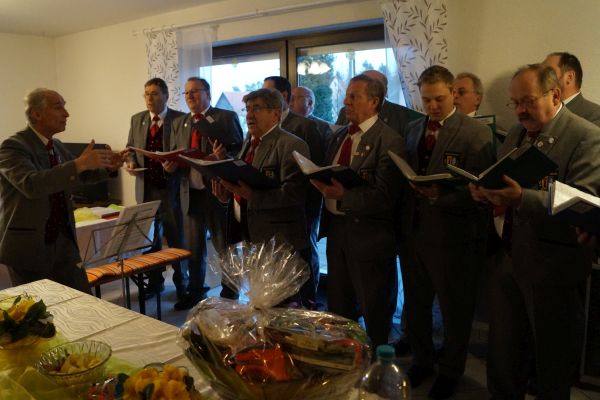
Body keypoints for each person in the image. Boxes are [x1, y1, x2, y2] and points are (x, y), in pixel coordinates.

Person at [469, 64, 600, 399]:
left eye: (527, 101)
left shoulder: (586, 135)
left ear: (554, 95)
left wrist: (521, 198)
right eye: (515, 103)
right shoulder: (516, 133)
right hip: (508, 257)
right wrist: (485, 191)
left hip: (552, 265)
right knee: (503, 352)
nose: (520, 110)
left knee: (552, 361)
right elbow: (503, 179)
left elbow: (583, 201)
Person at [399, 66, 494, 399]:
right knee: (416, 306)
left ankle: (452, 371)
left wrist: (442, 195)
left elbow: (483, 191)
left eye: (439, 99)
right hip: (414, 233)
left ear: (453, 93)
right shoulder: (413, 129)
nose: (432, 106)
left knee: (455, 311)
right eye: (426, 100)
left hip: (454, 238)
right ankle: (422, 360)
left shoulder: (475, 133)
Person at [311, 73, 405, 349]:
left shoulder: (389, 140)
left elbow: (386, 196)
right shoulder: (340, 135)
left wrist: (344, 195)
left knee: (374, 306)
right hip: (337, 231)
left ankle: (375, 362)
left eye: (354, 97)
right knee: (339, 305)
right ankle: (346, 357)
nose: (346, 102)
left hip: (370, 236)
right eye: (346, 96)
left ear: (374, 101)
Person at [0, 88, 121, 293]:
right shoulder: (13, 147)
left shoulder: (56, 145)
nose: (66, 114)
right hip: (30, 246)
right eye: (59, 107)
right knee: (41, 308)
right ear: (37, 113)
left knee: (81, 300)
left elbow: (78, 176)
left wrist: (108, 168)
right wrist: (79, 163)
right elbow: (32, 184)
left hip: (64, 241)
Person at [212, 89, 311, 296]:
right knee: (259, 302)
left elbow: (294, 195)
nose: (249, 115)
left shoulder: (292, 145)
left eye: (256, 109)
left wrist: (252, 196)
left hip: (278, 243)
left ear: (275, 113)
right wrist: (226, 198)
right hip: (248, 236)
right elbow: (241, 184)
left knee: (279, 306)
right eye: (247, 109)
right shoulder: (249, 142)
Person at [168, 77, 243, 309]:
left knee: (224, 247)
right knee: (194, 249)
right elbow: (175, 153)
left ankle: (230, 291)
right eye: (186, 93)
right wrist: (170, 165)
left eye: (195, 91)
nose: (190, 96)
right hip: (190, 194)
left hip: (217, 193)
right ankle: (196, 291)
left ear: (208, 94)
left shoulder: (226, 117)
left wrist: (223, 157)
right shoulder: (180, 122)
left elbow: (240, 153)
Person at [263, 76, 324, 306]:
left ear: (283, 96)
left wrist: (310, 213)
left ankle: (309, 304)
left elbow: (314, 171)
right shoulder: (266, 125)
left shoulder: (305, 126)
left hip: (301, 209)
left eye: (268, 93)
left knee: (303, 261)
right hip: (275, 211)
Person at [124, 78, 186, 301]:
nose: (150, 98)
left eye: (155, 94)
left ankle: (182, 284)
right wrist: (131, 162)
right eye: (147, 94)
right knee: (150, 240)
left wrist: (175, 165)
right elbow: (130, 149)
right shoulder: (137, 119)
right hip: (146, 189)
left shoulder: (180, 119)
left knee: (176, 238)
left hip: (171, 190)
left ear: (166, 96)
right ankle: (155, 282)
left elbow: (186, 151)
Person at [335, 69, 412, 137]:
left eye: (372, 84)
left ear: (385, 91)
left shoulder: (402, 116)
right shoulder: (344, 112)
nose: (346, 102)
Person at [543, 52, 600, 126]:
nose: (540, 78)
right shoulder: (536, 111)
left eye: (548, 72)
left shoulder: (595, 115)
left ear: (569, 77)